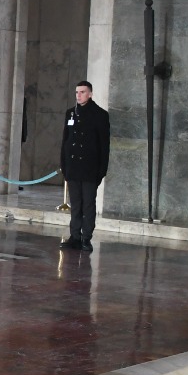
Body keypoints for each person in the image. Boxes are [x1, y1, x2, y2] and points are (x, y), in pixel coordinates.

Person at [59, 81, 111, 251]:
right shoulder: (71, 114)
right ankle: (74, 236)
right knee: (75, 204)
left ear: (90, 94)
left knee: (88, 204)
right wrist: (64, 166)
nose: (78, 95)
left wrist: (101, 171)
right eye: (76, 92)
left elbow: (104, 146)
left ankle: (86, 238)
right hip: (73, 168)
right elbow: (65, 141)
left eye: (82, 92)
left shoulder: (100, 115)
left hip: (90, 168)